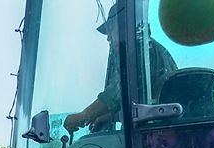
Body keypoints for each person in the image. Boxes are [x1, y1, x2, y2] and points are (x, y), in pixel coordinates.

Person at [64, 3, 177, 133]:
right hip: (156, 132)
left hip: (158, 135)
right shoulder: (148, 49)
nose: (108, 39)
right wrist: (112, 117)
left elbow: (117, 93)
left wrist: (83, 116)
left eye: (110, 30)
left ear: (124, 27)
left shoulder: (140, 52)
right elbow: (143, 106)